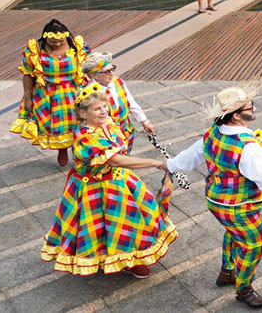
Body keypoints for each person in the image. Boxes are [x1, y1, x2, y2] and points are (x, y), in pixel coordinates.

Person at [165, 86, 262, 307]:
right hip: (239, 206)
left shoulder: (214, 132)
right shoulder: (247, 147)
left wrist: (171, 164)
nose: (254, 108)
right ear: (236, 115)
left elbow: (191, 155)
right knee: (253, 244)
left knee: (234, 233)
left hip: (216, 200)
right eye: (249, 106)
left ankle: (227, 272)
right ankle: (244, 289)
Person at [41, 83, 176, 279]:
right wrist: (155, 163)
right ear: (83, 114)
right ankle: (119, 260)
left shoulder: (108, 124)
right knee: (104, 225)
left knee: (127, 222)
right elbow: (116, 160)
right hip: (93, 188)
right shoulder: (85, 137)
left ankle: (130, 259)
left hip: (117, 180)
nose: (104, 111)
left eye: (105, 106)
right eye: (97, 108)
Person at [10, 19, 89, 166]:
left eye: (61, 41)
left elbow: (88, 68)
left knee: (82, 123)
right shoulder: (35, 51)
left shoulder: (77, 46)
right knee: (59, 126)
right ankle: (62, 148)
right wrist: (27, 97)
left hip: (74, 92)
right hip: (48, 94)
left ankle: (81, 151)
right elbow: (28, 75)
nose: (57, 44)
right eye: (53, 42)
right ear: (45, 38)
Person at [83, 52, 153, 151]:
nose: (112, 73)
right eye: (107, 71)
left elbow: (130, 102)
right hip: (105, 136)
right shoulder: (88, 92)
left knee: (125, 154)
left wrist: (144, 121)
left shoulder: (118, 82)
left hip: (125, 130)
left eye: (112, 69)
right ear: (94, 75)